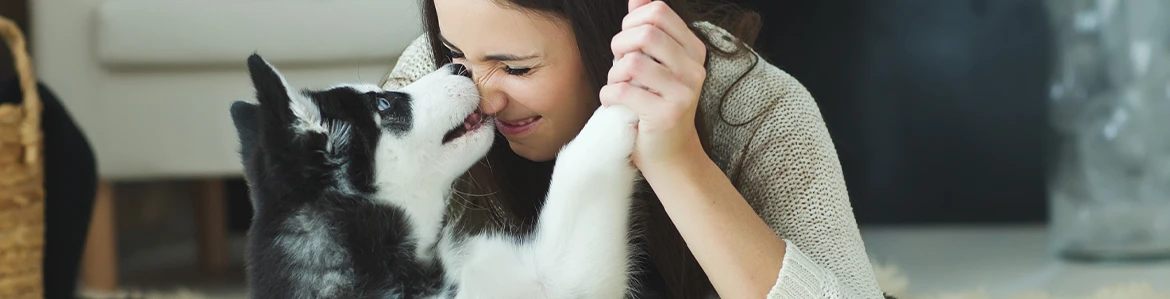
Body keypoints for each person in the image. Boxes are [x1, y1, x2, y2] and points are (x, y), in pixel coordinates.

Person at [380, 0, 886, 298]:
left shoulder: (753, 105)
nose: (481, 98)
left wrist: (675, 158)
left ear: (611, 35)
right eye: (455, 53)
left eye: (517, 69)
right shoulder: (433, 84)